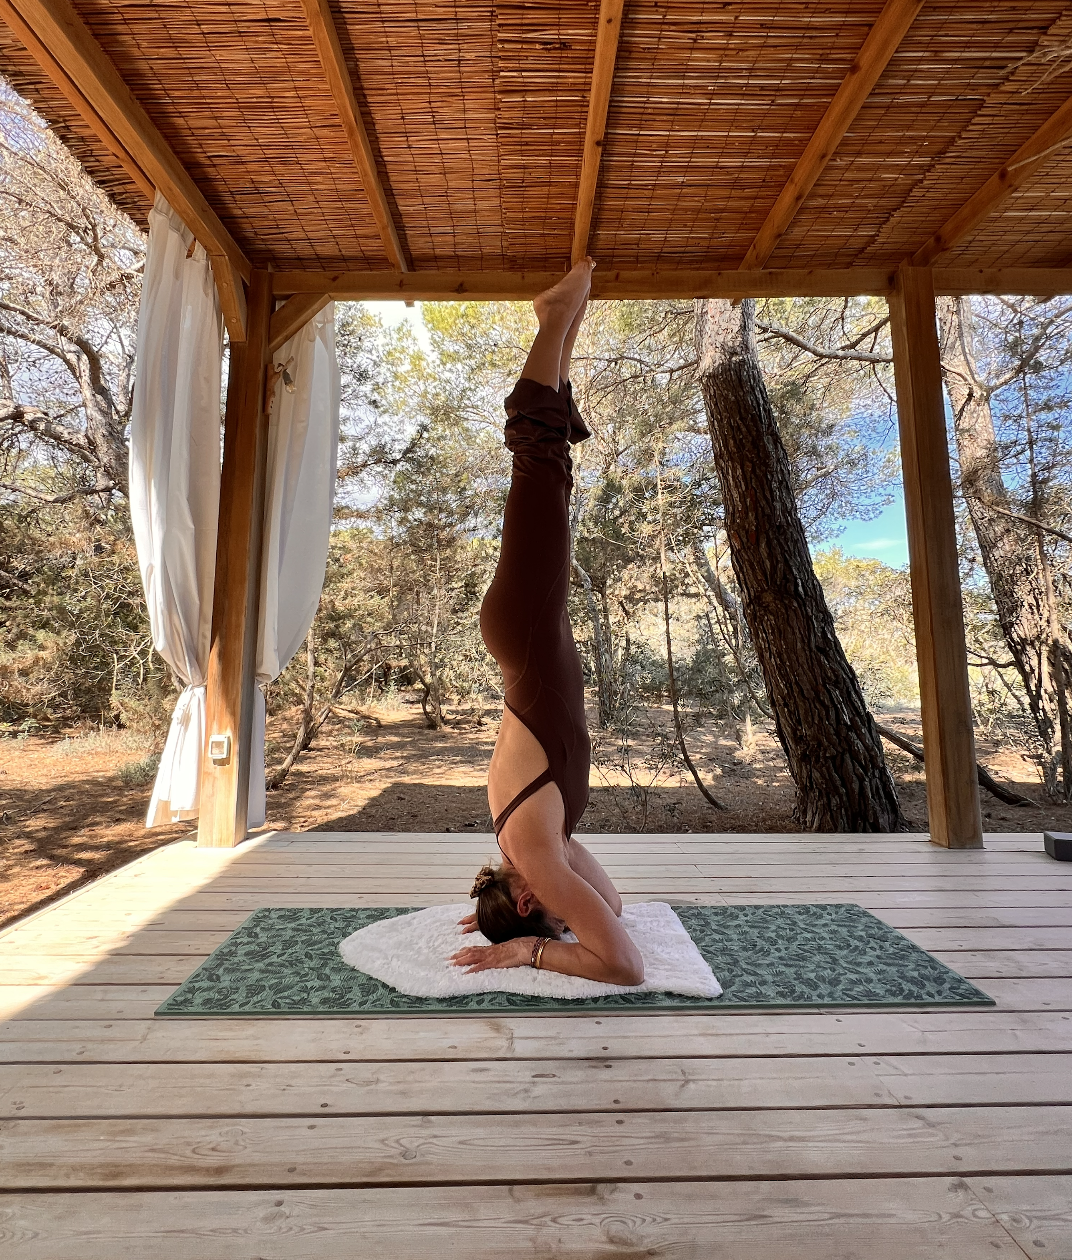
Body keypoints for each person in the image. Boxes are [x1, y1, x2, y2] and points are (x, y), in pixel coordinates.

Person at [450, 260, 644, 986]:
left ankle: (554, 318)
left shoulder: (536, 855)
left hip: (528, 630)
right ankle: (565, 325)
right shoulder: (543, 849)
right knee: (550, 473)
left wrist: (524, 946)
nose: (572, 919)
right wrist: (519, 913)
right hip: (527, 631)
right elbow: (613, 908)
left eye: (553, 916)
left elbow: (620, 963)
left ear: (531, 897)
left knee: (538, 462)